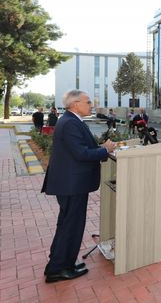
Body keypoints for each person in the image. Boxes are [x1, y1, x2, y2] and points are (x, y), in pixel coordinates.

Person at [41, 90, 117, 283]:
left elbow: (80, 148)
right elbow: (81, 154)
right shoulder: (70, 123)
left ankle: (60, 263)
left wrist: (100, 147)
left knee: (67, 224)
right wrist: (105, 150)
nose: (91, 105)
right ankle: (58, 269)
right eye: (88, 102)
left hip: (70, 183)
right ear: (75, 104)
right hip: (71, 184)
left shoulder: (70, 120)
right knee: (71, 226)